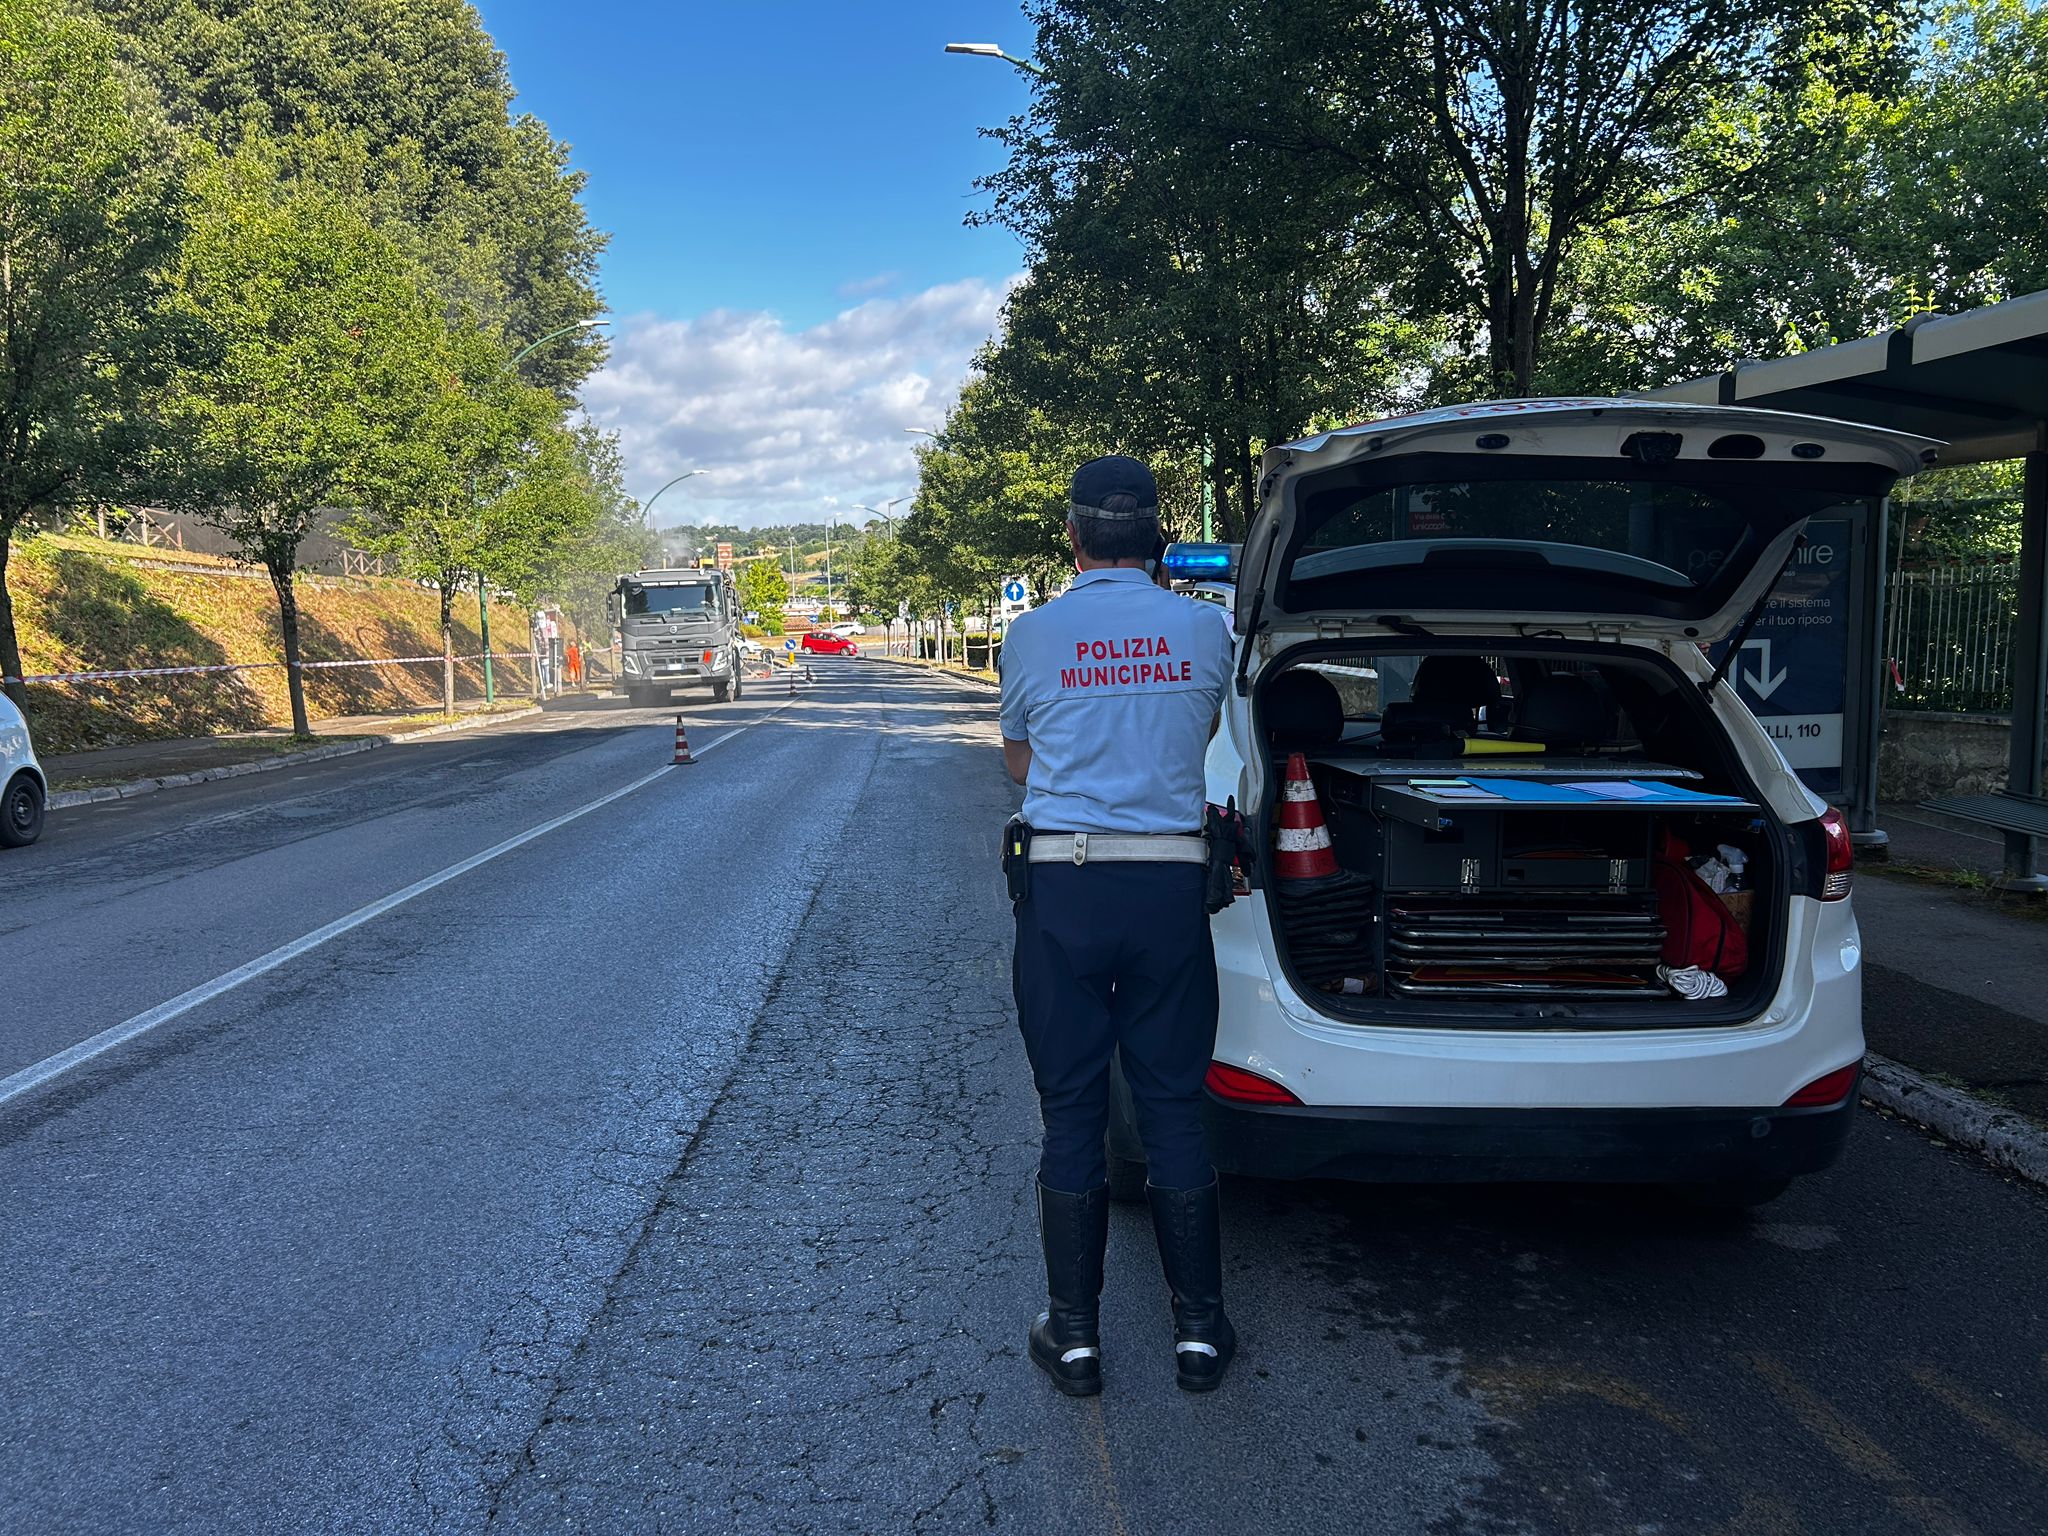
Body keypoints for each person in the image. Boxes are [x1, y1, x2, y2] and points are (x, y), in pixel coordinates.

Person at [998, 454, 1237, 1397]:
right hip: (1170, 887)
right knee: (1174, 1102)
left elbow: (1022, 764)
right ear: (1159, 535)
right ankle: (1201, 1335)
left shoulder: (1032, 634)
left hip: (1065, 887)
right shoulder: (1205, 628)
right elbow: (1203, 734)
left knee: (1071, 1109)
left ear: (1073, 534)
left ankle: (1077, 1336)